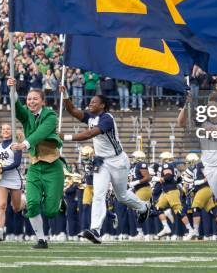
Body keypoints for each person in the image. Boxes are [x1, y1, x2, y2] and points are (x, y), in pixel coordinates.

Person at [60, 85, 150, 244]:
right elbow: (73, 110)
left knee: (122, 196)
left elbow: (89, 134)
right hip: (102, 161)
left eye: (94, 102)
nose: (90, 103)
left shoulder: (107, 118)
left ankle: (143, 208)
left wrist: (65, 137)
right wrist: (65, 94)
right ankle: (95, 230)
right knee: (99, 194)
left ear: (102, 106)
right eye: (91, 101)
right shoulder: (90, 117)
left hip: (118, 160)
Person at [8, 80, 64, 249]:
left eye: (35, 99)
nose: (31, 101)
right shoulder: (26, 114)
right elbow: (16, 108)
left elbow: (40, 134)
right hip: (35, 167)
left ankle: (58, 202)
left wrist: (23, 144)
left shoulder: (51, 116)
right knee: (32, 204)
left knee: (51, 211)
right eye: (29, 99)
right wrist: (13, 90)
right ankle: (41, 239)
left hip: (53, 167)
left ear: (42, 101)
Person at [177, 91, 217, 244]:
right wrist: (187, 105)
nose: (209, 108)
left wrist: (203, 129)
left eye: (212, 105)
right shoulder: (202, 119)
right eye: (208, 105)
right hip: (210, 167)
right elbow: (181, 123)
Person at [0, 123, 23, 242]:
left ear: (12, 131)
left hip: (14, 178)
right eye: (3, 129)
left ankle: (23, 201)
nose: (5, 131)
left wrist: (2, 169)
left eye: (8, 129)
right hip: (2, 180)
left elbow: (17, 163)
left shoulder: (16, 145)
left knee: (16, 207)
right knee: (2, 205)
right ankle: (0, 231)